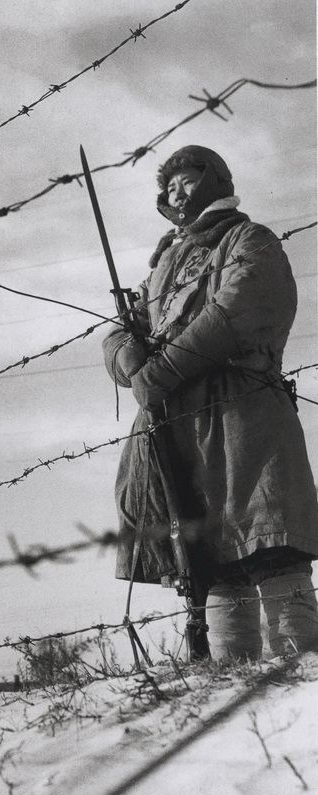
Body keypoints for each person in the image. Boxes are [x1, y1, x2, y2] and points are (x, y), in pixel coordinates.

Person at [102, 145, 318, 661]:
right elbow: (118, 332)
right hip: (178, 426)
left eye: (189, 177)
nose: (177, 190)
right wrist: (130, 363)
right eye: (169, 185)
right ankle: (230, 682)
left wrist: (161, 370)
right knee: (211, 556)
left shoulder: (249, 238)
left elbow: (239, 306)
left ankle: (299, 674)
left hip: (246, 414)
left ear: (217, 179)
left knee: (270, 536)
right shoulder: (160, 265)